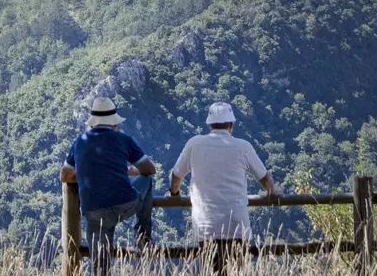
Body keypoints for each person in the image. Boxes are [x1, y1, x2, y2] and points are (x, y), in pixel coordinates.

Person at [170, 102, 278, 273]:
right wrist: (272, 193)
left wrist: (174, 193)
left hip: (206, 226)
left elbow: (176, 175)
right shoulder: (243, 147)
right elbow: (265, 179)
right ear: (231, 124)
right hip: (237, 225)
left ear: (209, 123)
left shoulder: (194, 144)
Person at [60, 96, 157, 275]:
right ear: (114, 123)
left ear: (93, 123)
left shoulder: (79, 142)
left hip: (94, 212)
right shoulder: (123, 139)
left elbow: (64, 175)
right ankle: (143, 238)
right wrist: (125, 170)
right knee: (147, 181)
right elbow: (149, 170)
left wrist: (91, 172)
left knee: (100, 268)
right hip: (124, 205)